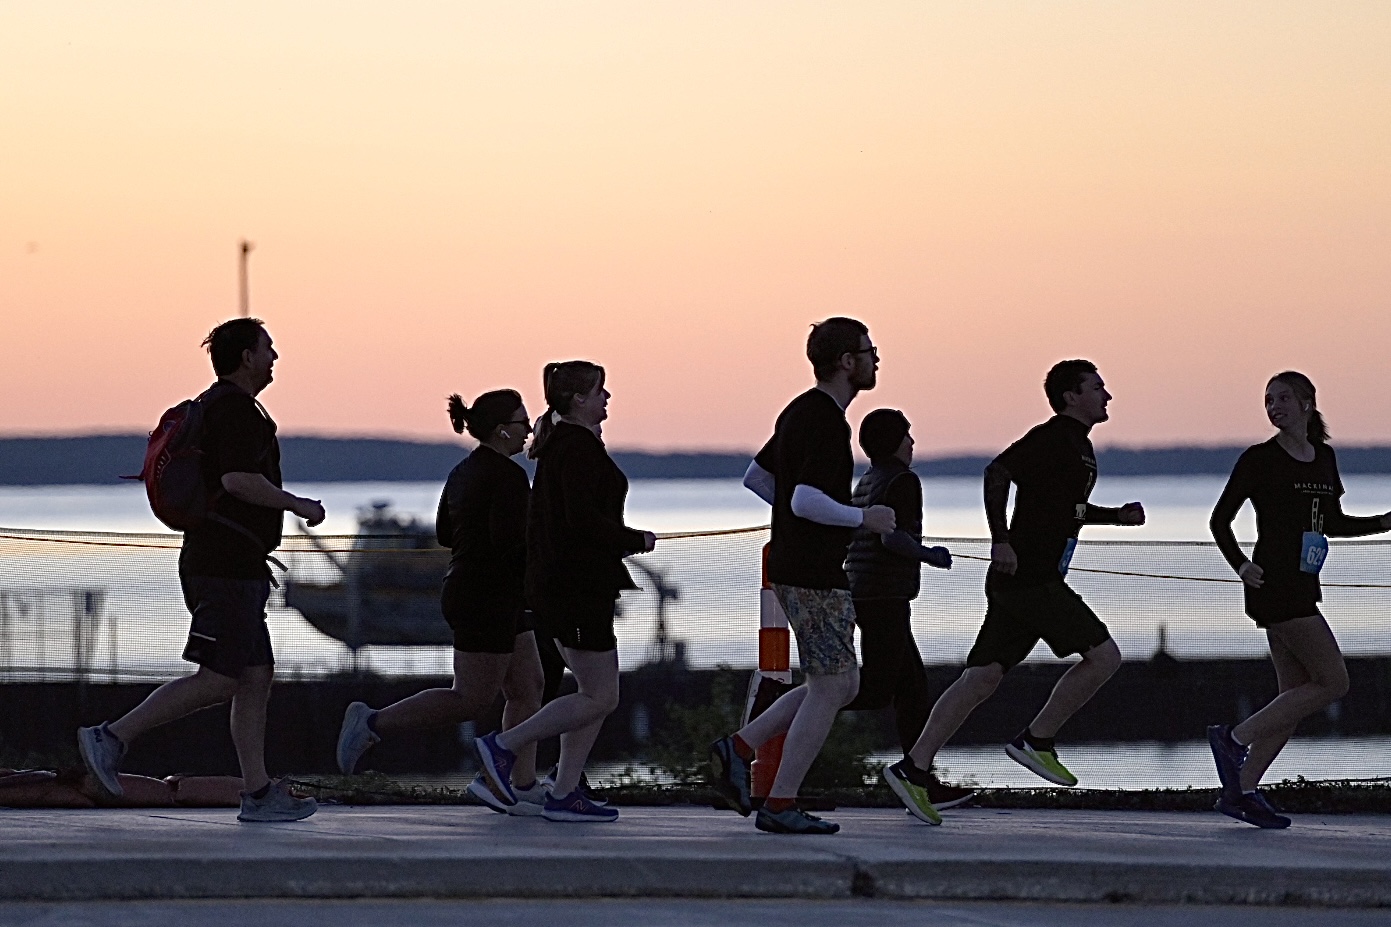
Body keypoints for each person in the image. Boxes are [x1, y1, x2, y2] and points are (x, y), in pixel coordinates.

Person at [77, 318, 325, 822]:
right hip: (224, 566)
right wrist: (296, 503)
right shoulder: (235, 411)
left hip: (233, 563)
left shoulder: (219, 406)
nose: (276, 356)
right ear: (247, 357)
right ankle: (111, 736)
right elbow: (236, 480)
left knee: (255, 675)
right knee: (218, 677)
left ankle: (258, 795)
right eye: (268, 348)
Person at [884, 359, 1144, 825]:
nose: (1108, 396)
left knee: (982, 677)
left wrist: (1115, 517)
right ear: (1071, 396)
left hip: (1027, 580)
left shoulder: (1079, 448)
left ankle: (912, 768)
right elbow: (995, 473)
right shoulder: (1051, 437)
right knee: (1104, 657)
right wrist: (1000, 538)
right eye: (1098, 387)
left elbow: (1066, 511)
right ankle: (1036, 740)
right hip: (1028, 579)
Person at [709, 317, 895, 835]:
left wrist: (797, 527)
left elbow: (758, 477)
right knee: (835, 685)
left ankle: (738, 748)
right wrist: (863, 518)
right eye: (869, 350)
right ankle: (780, 802)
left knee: (836, 682)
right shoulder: (827, 421)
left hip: (800, 566)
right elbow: (803, 497)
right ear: (846, 362)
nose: (877, 359)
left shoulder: (800, 411)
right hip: (814, 574)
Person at [335, 390, 547, 814]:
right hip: (487, 596)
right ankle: (372, 721)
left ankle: (517, 782)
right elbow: (510, 543)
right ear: (502, 428)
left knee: (529, 688)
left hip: (481, 591)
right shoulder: (507, 476)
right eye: (523, 423)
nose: (527, 431)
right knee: (470, 698)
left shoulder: (462, 472)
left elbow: (446, 533)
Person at [473, 361, 657, 823]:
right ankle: (503, 748)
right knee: (601, 695)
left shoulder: (570, 444)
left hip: (575, 586)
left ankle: (565, 790)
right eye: (600, 390)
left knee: (593, 691)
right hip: (574, 588)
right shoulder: (574, 448)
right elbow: (583, 523)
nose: (607, 397)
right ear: (578, 399)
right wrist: (636, 539)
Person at [1208, 372, 1391, 829]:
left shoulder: (1323, 458)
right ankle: (1233, 737)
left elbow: (1334, 523)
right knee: (1333, 682)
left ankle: (1242, 791)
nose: (1274, 407)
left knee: (1293, 697)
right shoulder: (1259, 459)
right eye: (1268, 400)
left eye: (1283, 398)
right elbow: (1220, 520)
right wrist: (1240, 566)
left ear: (1308, 402)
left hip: (1305, 581)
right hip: (1273, 584)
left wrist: (1385, 522)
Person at [841, 409, 973, 811]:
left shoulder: (867, 479)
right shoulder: (903, 480)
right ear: (894, 442)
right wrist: (929, 554)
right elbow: (891, 539)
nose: (913, 443)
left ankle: (918, 776)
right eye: (907, 436)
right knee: (878, 688)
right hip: (884, 595)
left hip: (865, 590)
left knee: (912, 688)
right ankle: (797, 704)